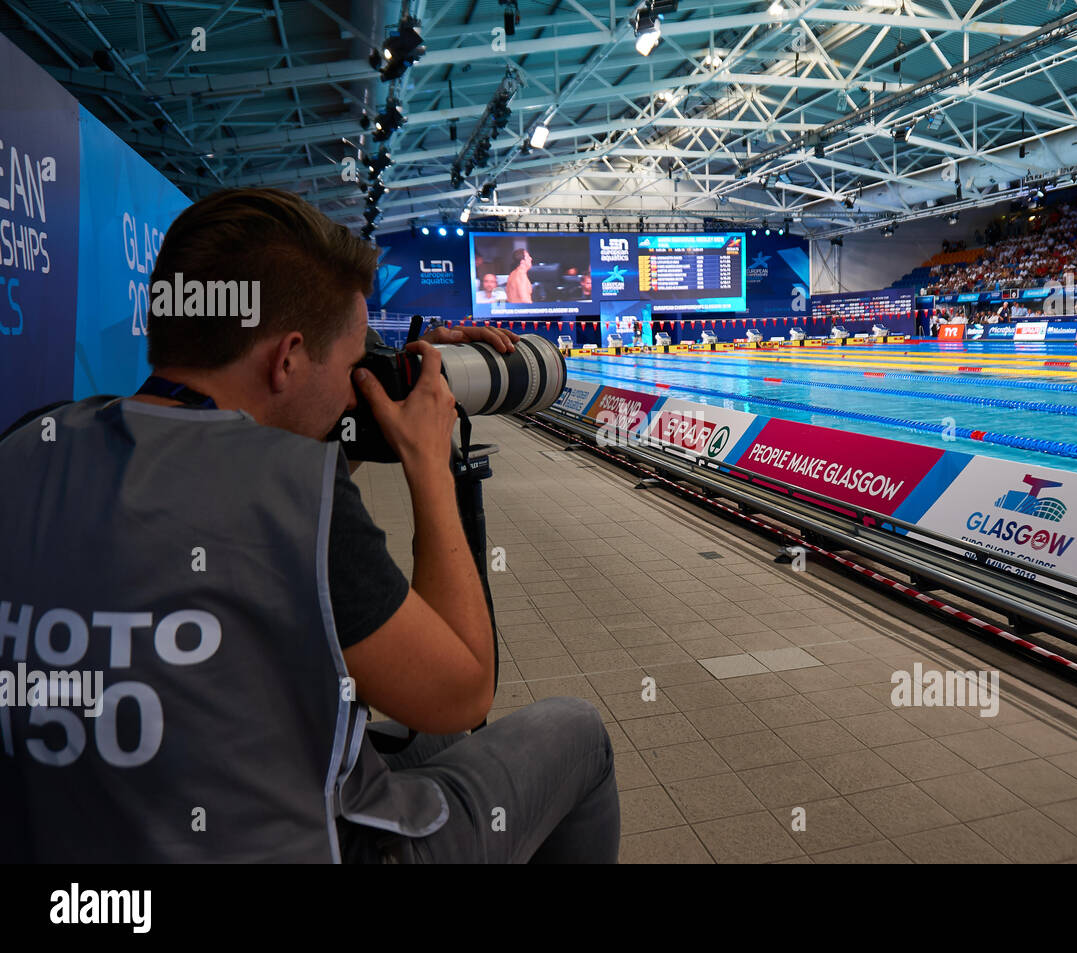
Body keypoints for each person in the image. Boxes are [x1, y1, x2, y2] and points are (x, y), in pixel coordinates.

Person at [0, 188, 619, 863]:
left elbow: (254, 515)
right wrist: (430, 463)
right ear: (287, 358)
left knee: (429, 743)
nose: (360, 381)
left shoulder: (34, 442)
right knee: (576, 731)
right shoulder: (292, 489)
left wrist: (388, 394)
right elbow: (464, 689)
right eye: (357, 361)